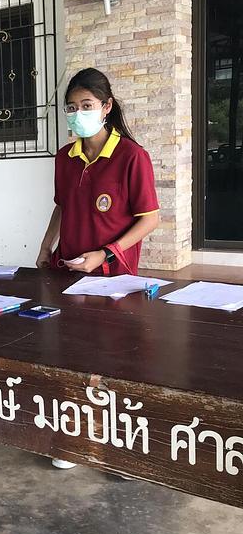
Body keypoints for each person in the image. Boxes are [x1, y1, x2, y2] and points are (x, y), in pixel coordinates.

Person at [36, 68, 160, 469]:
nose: (78, 114)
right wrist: (45, 246)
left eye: (86, 105)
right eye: (71, 108)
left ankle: (123, 448)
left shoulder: (131, 157)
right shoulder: (65, 157)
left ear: (106, 107)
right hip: (70, 271)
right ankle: (75, 438)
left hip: (113, 276)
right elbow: (62, 205)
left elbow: (150, 219)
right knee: (73, 354)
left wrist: (105, 254)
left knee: (116, 359)